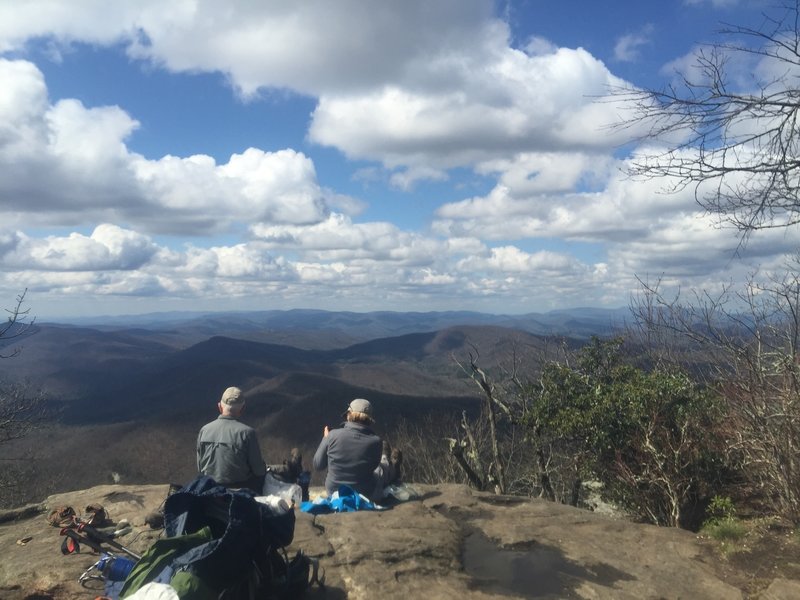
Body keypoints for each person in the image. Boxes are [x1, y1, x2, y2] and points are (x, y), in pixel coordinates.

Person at [312, 398, 401, 501]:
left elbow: (317, 465)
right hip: (366, 493)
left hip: (334, 493)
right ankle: (391, 466)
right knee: (380, 469)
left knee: (378, 468)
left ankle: (387, 461)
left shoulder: (332, 436)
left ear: (349, 414)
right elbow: (373, 466)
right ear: (369, 419)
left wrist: (326, 439)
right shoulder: (376, 441)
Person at [196, 386, 267, 493]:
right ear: (242, 409)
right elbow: (259, 471)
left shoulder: (204, 430)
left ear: (219, 407)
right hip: (241, 489)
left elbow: (200, 467)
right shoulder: (247, 433)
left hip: (210, 488)